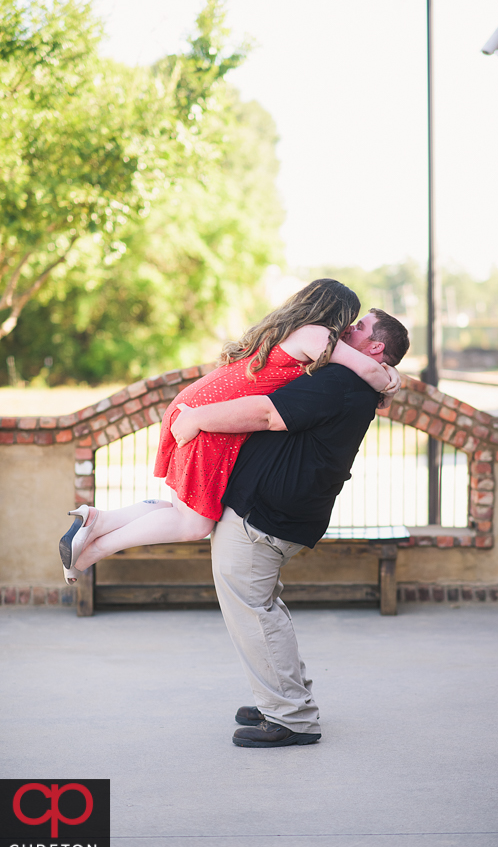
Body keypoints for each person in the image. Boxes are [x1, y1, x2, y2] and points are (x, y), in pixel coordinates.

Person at [171, 308, 409, 747]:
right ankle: (281, 698)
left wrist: (197, 419)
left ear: (376, 348)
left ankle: (292, 718)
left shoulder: (343, 382)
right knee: (264, 607)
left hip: (265, 515)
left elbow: (264, 413)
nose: (348, 329)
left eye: (360, 327)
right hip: (276, 512)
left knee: (254, 612)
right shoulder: (354, 379)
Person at [59, 281, 401, 583]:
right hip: (210, 420)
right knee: (194, 525)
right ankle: (94, 550)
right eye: (350, 320)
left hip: (199, 405)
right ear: (335, 313)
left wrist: (382, 367)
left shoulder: (289, 328)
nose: (349, 329)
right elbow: (366, 370)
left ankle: (96, 520)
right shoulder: (318, 335)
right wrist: (390, 378)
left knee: (182, 511)